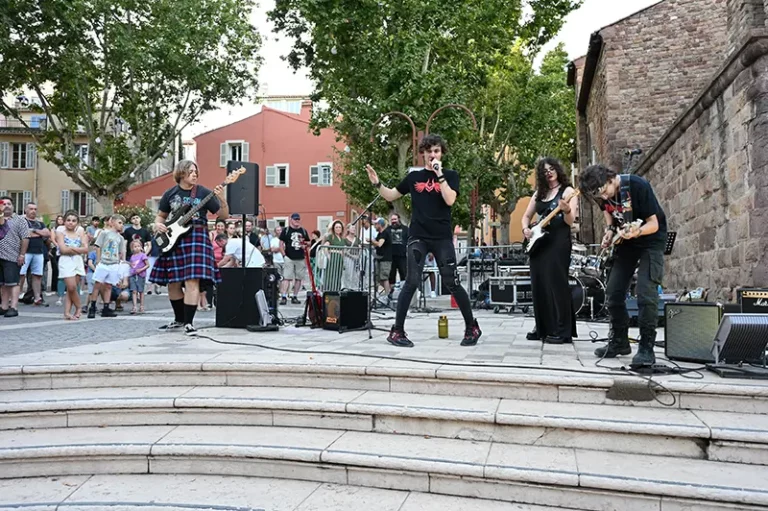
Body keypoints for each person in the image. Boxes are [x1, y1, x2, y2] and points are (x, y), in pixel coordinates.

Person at [365, 134, 482, 347]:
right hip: (418, 236)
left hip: (442, 237)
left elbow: (450, 199)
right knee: (411, 281)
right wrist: (377, 183)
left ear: (441, 153)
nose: (432, 155)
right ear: (423, 154)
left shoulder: (451, 175)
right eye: (429, 152)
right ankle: (397, 331)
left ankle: (471, 326)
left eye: (436, 151)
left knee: (452, 281)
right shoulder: (414, 177)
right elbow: (391, 195)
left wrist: (439, 175)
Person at [579, 164, 667, 367]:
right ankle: (619, 341)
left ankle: (646, 348)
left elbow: (653, 223)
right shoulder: (601, 194)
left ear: (610, 179)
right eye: (596, 195)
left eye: (602, 192)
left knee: (646, 292)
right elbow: (608, 212)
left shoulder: (637, 185)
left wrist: (637, 232)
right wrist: (610, 231)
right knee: (613, 292)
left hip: (650, 240)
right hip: (626, 242)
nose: (602, 197)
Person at [151, 160, 229, 335]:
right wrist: (157, 225)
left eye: (196, 171)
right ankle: (179, 319)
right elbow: (161, 217)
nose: (195, 174)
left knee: (192, 280)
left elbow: (223, 216)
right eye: (191, 171)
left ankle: (189, 323)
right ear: (181, 173)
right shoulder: (170, 194)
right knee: (173, 283)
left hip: (197, 236)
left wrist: (221, 197)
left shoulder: (203, 193)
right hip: (174, 239)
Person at [521, 158, 579, 344]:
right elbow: (526, 216)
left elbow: (570, 221)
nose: (549, 172)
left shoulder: (568, 191)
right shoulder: (539, 193)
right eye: (545, 170)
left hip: (559, 241)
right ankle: (543, 327)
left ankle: (564, 331)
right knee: (539, 284)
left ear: (557, 170)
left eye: (552, 168)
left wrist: (567, 209)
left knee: (557, 284)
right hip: (539, 243)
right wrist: (525, 229)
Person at [87, 215, 126, 319]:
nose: (121, 225)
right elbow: (98, 246)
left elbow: (121, 252)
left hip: (113, 264)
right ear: (112, 222)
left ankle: (106, 307)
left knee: (109, 286)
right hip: (104, 262)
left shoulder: (120, 238)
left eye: (122, 223)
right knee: (97, 285)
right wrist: (98, 260)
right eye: (119, 222)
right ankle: (92, 307)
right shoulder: (104, 233)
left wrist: (121, 263)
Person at [0, 196, 30, 317]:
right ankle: (4, 306)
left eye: (9, 203)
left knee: (13, 283)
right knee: (2, 284)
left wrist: (22, 254)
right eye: (3, 204)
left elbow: (25, 238)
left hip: (12, 256)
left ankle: (14, 307)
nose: (6, 205)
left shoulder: (19, 220)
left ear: (13, 206)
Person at [56, 211, 88, 320]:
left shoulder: (80, 233)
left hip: (78, 261)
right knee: (71, 286)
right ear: (64, 222)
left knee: (72, 290)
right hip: (65, 261)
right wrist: (77, 250)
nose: (71, 223)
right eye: (68, 220)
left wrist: (71, 248)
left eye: (74, 221)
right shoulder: (61, 233)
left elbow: (85, 249)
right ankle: (79, 307)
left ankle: (67, 312)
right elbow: (63, 249)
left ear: (77, 223)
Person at [19, 202, 51, 306]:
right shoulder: (21, 222)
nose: (33, 211)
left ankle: (37, 298)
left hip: (38, 252)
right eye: (31, 209)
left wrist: (34, 231)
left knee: (37, 275)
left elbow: (47, 233)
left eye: (35, 209)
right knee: (21, 275)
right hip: (25, 252)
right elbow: (24, 234)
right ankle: (15, 296)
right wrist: (38, 233)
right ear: (26, 210)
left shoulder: (40, 223)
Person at [279, 213, 308, 305]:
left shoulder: (303, 231)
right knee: (287, 278)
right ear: (291, 220)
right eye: (295, 219)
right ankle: (284, 296)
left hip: (300, 257)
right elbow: (281, 243)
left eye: (298, 219)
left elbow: (308, 242)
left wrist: (305, 246)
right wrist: (284, 255)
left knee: (299, 278)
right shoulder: (286, 230)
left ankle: (295, 296)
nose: (297, 221)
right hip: (289, 257)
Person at [322, 220, 347, 291]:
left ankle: (337, 290)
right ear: (333, 228)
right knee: (331, 275)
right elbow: (325, 247)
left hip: (340, 259)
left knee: (338, 275)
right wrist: (328, 256)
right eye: (336, 227)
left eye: (339, 227)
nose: (338, 229)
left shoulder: (342, 239)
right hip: (333, 257)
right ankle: (329, 290)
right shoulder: (330, 237)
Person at [372, 218, 392, 297]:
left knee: (384, 277)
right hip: (379, 258)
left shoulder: (385, 233)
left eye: (376, 224)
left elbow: (380, 244)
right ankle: (389, 291)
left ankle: (387, 295)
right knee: (377, 278)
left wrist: (371, 241)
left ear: (380, 225)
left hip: (385, 259)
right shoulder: (379, 234)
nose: (374, 226)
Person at [128, 240, 149, 314]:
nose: (137, 248)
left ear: (141, 247)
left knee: (141, 291)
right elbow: (132, 264)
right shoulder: (132, 256)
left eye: (138, 246)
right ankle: (134, 306)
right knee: (134, 291)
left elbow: (147, 265)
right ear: (132, 248)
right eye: (135, 246)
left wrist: (141, 269)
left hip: (141, 275)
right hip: (133, 274)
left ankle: (142, 306)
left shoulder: (143, 255)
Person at [387, 213, 408, 288]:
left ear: (399, 219)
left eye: (395, 219)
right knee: (391, 276)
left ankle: (403, 292)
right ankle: (391, 294)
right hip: (390, 256)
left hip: (402, 256)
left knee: (404, 274)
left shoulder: (405, 229)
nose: (393, 221)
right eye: (392, 220)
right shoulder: (388, 229)